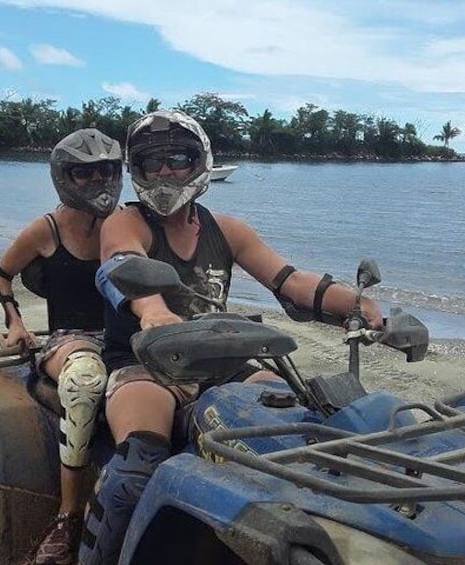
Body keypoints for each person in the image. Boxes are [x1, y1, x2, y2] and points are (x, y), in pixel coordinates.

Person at [80, 110, 383, 564]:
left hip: (224, 363)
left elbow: (289, 280)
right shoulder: (125, 222)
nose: (165, 171)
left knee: (301, 426)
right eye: (151, 162)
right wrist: (155, 312)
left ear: (199, 161)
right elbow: (122, 265)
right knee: (137, 464)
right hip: (145, 363)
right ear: (136, 171)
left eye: (177, 158)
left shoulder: (227, 230)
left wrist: (357, 305)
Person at [0, 128, 123, 565]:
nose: (98, 182)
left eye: (106, 171)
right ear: (65, 177)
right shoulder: (47, 229)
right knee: (83, 383)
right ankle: (68, 513)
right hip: (70, 339)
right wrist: (15, 322)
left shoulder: (127, 223)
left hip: (125, 337)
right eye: (84, 173)